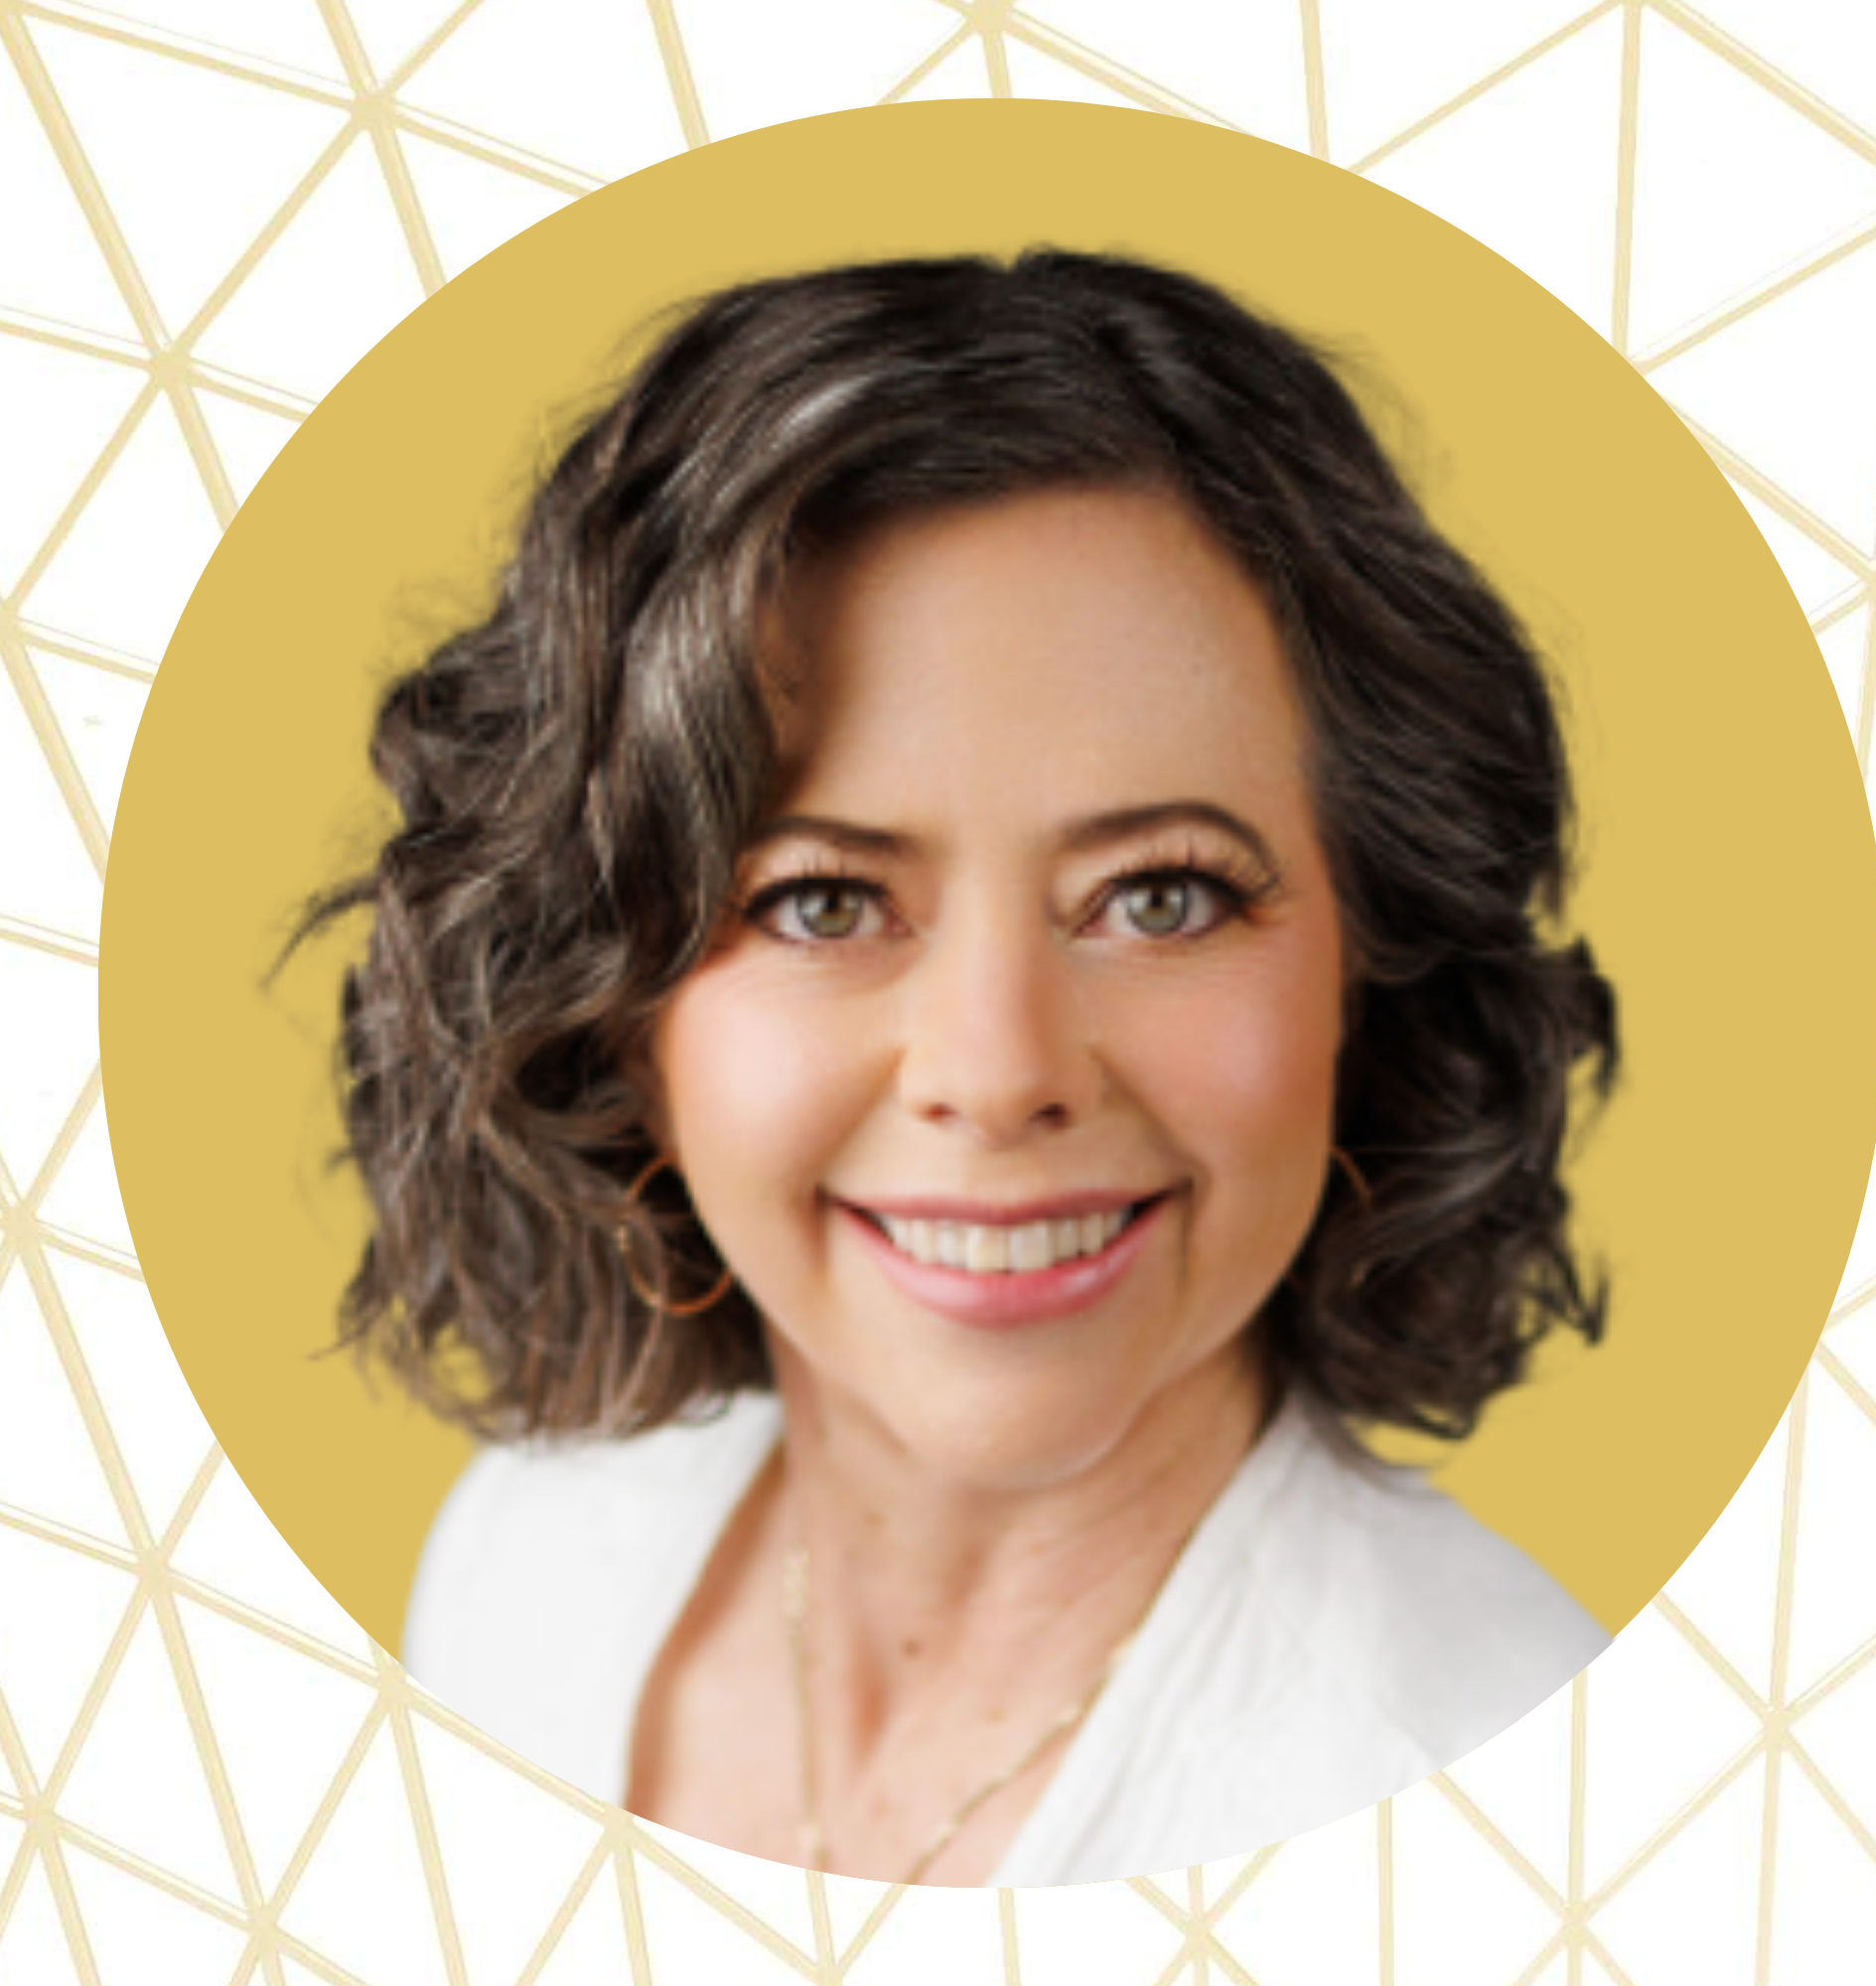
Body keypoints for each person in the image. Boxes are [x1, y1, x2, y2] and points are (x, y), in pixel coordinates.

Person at [301, 250, 1620, 1886]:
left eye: (1162, 895)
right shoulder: (526, 1558)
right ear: (606, 1004)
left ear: (1375, 968)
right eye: (823, 901)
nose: (999, 1075)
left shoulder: (1518, 1809)